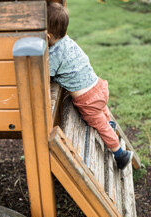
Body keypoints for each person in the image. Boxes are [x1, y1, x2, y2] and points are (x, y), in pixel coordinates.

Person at [47, 2, 133, 170]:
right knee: (102, 112)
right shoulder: (67, 40)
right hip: (99, 86)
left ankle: (120, 154)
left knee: (98, 123)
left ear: (48, 36)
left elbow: (46, 75)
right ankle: (109, 124)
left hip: (88, 100)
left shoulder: (53, 55)